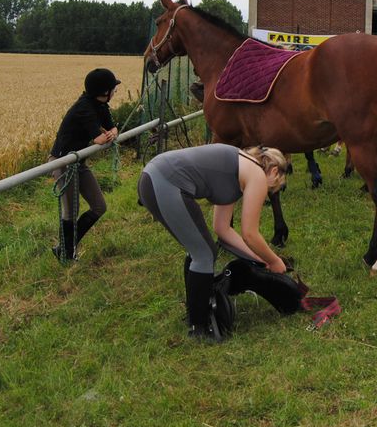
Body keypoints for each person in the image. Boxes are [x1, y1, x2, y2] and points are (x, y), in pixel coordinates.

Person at [137, 144, 289, 341]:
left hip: (153, 178)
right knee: (204, 254)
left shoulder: (238, 169)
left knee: (199, 250)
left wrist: (260, 259)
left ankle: (195, 313)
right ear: (274, 170)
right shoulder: (257, 174)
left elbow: (223, 229)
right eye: (274, 185)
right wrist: (275, 261)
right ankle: (199, 328)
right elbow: (250, 234)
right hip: (165, 182)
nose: (268, 190)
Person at [50, 68, 121, 261]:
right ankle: (66, 254)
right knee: (71, 211)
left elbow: (112, 127)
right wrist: (108, 135)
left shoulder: (100, 105)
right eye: (113, 88)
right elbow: (99, 139)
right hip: (63, 161)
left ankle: (65, 247)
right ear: (105, 92)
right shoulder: (85, 107)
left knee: (99, 206)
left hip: (78, 161)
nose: (115, 92)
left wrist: (113, 132)